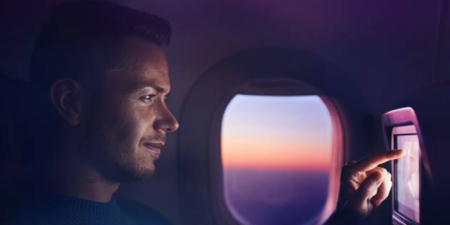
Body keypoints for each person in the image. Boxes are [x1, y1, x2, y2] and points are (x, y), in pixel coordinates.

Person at [4, 1, 405, 225]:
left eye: (166, 98)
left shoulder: (148, 219)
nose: (171, 121)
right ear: (71, 103)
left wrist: (346, 218)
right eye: (147, 97)